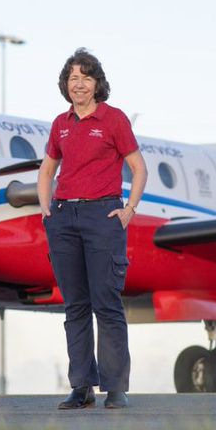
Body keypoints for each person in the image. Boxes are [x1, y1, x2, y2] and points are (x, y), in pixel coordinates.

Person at [36, 48, 147, 410]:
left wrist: (129, 209)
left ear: (97, 83)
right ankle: (81, 386)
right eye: (72, 78)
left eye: (85, 77)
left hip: (104, 216)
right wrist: (46, 208)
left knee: (107, 303)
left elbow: (138, 168)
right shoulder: (60, 123)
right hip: (64, 219)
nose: (78, 84)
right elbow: (46, 170)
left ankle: (116, 388)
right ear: (65, 85)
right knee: (75, 306)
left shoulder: (113, 119)